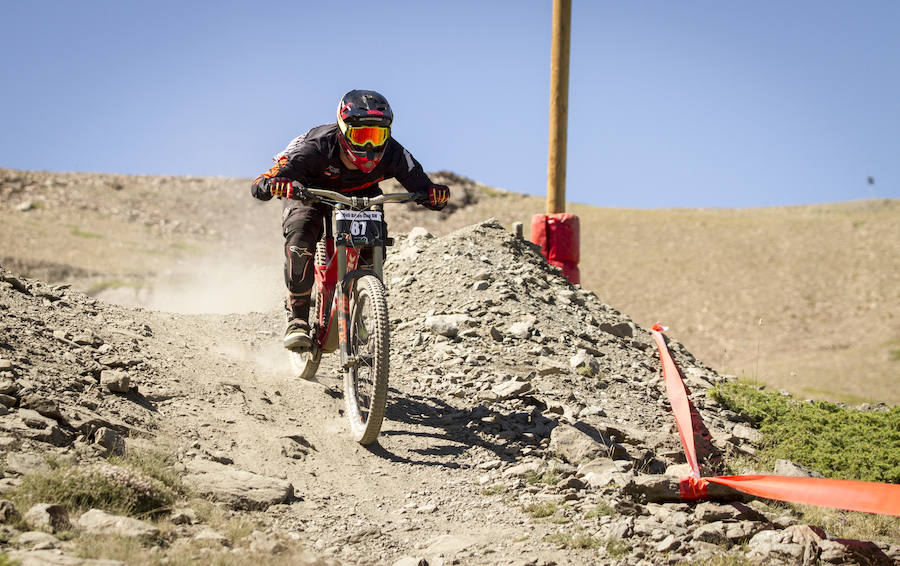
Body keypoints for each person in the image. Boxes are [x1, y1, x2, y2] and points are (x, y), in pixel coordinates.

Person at [251, 89, 450, 350]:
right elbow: (262, 182)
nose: (369, 146)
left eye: (377, 136)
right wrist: (272, 185)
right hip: (308, 192)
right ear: (343, 130)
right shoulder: (313, 146)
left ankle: (358, 309)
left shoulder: (394, 153)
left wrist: (435, 195)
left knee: (372, 248)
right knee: (300, 241)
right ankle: (297, 319)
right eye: (361, 135)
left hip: (361, 196)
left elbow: (424, 188)